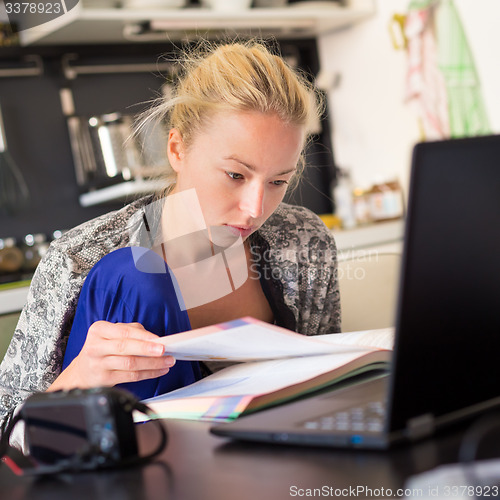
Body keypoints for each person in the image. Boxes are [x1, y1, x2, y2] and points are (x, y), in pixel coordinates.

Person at [0, 40, 341, 449]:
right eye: (235, 175)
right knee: (137, 276)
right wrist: (77, 379)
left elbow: (329, 385)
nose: (254, 208)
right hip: (125, 476)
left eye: (278, 182)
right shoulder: (77, 261)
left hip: (263, 468)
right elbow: (7, 437)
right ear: (177, 148)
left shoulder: (304, 243)